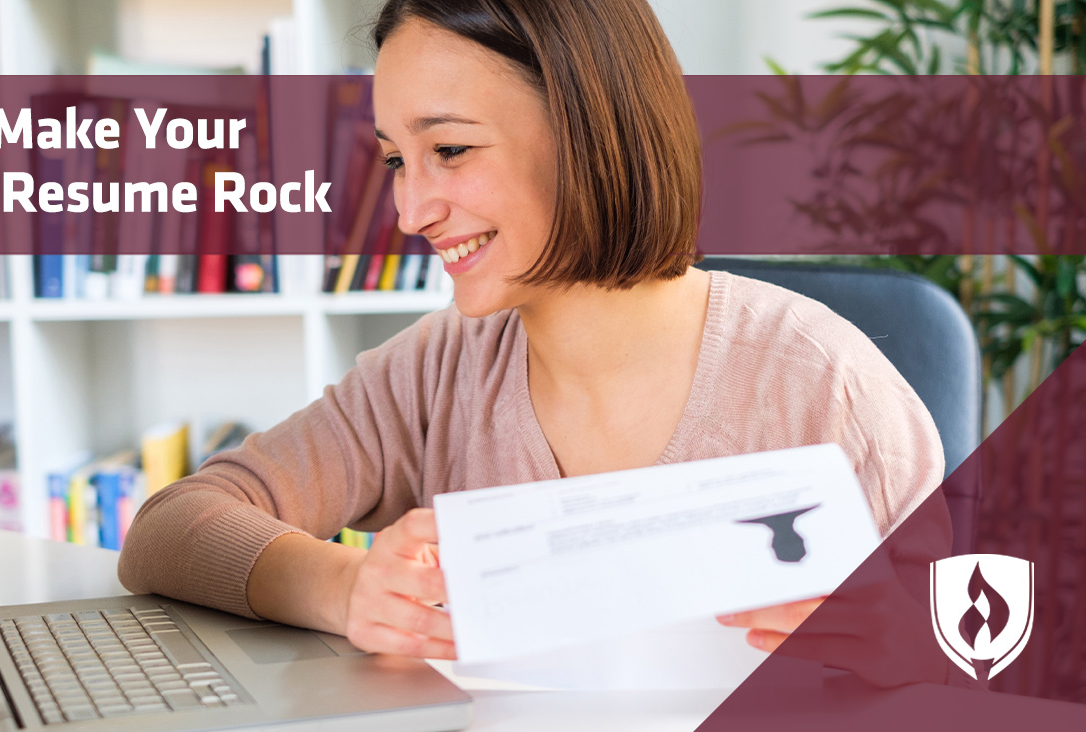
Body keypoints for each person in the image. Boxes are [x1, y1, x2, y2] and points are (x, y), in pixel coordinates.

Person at [120, 0, 952, 687]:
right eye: (396, 162)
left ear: (592, 132)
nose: (410, 212)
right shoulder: (432, 374)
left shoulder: (824, 384)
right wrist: (341, 586)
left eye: (449, 150)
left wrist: (928, 658)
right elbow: (170, 528)